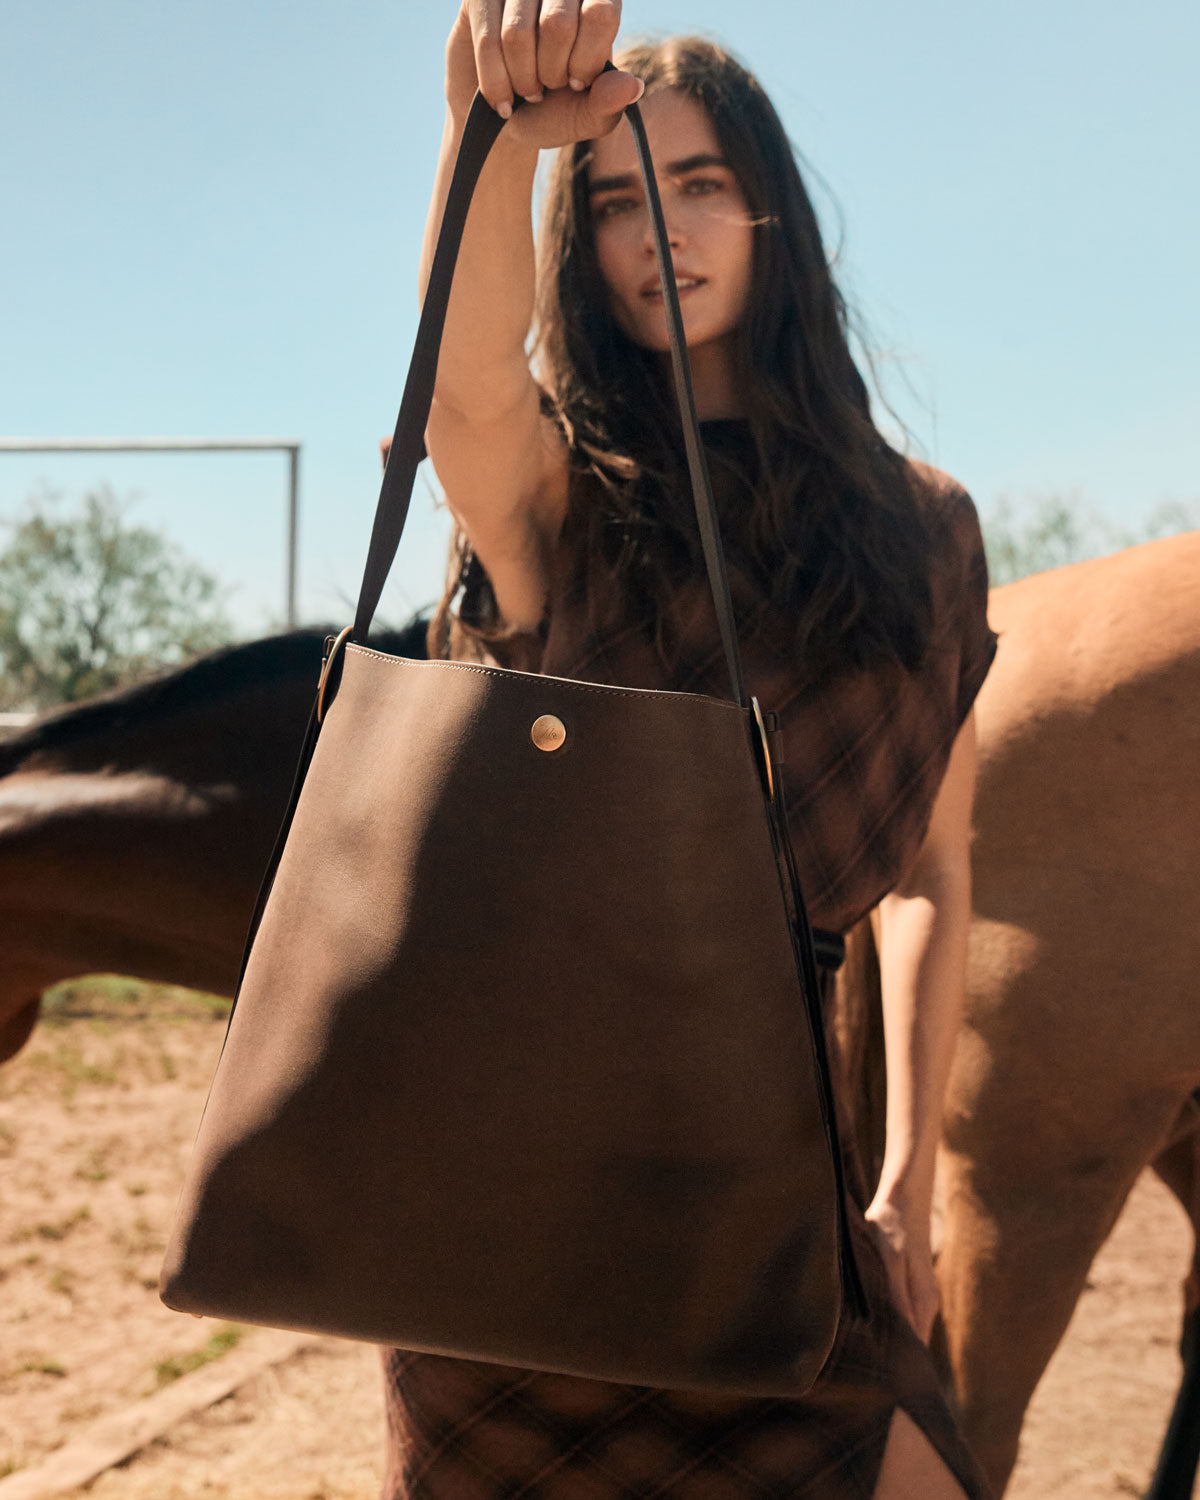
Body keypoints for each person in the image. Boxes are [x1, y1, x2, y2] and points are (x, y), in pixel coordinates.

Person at [381, 3, 999, 1496]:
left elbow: (928, 868)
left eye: (699, 183)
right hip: (518, 1207)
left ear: (767, 204)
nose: (658, 228)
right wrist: (490, 129)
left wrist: (908, 1180)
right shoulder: (563, 499)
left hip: (778, 1192)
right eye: (613, 199)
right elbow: (462, 392)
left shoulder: (921, 530)